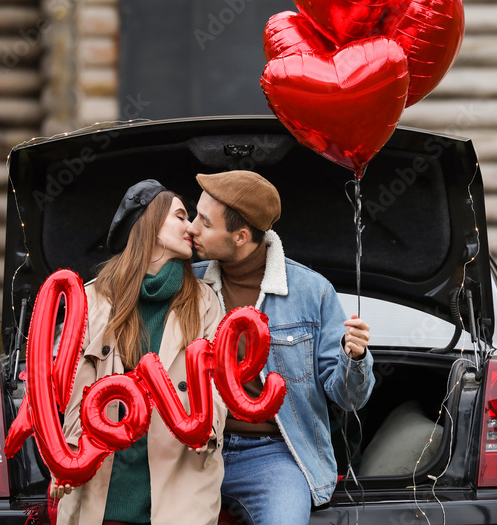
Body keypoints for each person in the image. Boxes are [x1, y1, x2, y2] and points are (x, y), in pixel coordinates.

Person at [187, 170, 375, 525]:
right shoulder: (188, 283)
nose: (192, 228)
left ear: (241, 237)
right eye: (195, 215)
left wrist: (356, 357)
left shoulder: (311, 291)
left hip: (273, 455)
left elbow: (348, 398)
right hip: (194, 452)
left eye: (204, 222)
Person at [52, 179, 226, 525]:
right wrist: (67, 461)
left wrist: (206, 430)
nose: (191, 226)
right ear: (150, 225)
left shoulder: (205, 302)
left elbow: (218, 385)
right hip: (102, 490)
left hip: (180, 486)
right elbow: (72, 392)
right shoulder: (91, 300)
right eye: (180, 216)